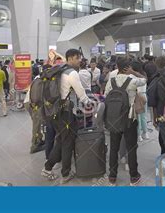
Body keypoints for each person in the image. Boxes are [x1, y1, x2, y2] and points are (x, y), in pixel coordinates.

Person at [42, 49, 95, 184]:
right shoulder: (71, 73)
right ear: (70, 58)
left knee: (61, 140)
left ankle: (48, 168)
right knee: (67, 143)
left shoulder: (59, 69)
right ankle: (65, 174)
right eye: (78, 58)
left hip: (54, 112)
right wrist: (91, 104)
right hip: (66, 114)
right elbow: (82, 94)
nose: (80, 61)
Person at [104, 57, 146, 186]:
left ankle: (112, 177)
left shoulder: (111, 81)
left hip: (113, 119)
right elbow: (145, 80)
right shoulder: (133, 80)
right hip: (129, 119)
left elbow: (106, 96)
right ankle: (134, 177)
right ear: (128, 67)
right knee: (131, 148)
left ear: (117, 66)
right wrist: (134, 72)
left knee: (114, 148)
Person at [131, 61, 149, 142]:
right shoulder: (143, 74)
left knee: (137, 117)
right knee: (144, 116)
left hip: (136, 97)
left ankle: (138, 135)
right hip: (144, 95)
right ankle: (145, 133)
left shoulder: (132, 76)